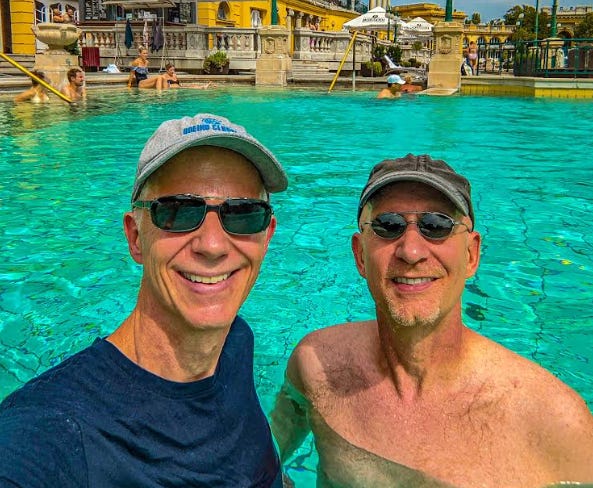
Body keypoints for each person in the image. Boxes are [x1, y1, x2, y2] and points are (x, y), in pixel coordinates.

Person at [0, 113, 288, 487]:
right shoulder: (51, 433)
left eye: (243, 213)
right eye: (179, 211)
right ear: (136, 237)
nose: (213, 245)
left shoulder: (235, 341)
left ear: (267, 236)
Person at [271, 154, 593, 487]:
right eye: (388, 225)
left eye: (437, 226)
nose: (411, 251)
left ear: (471, 255)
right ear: (360, 255)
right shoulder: (317, 367)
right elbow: (257, 465)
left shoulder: (555, 424)